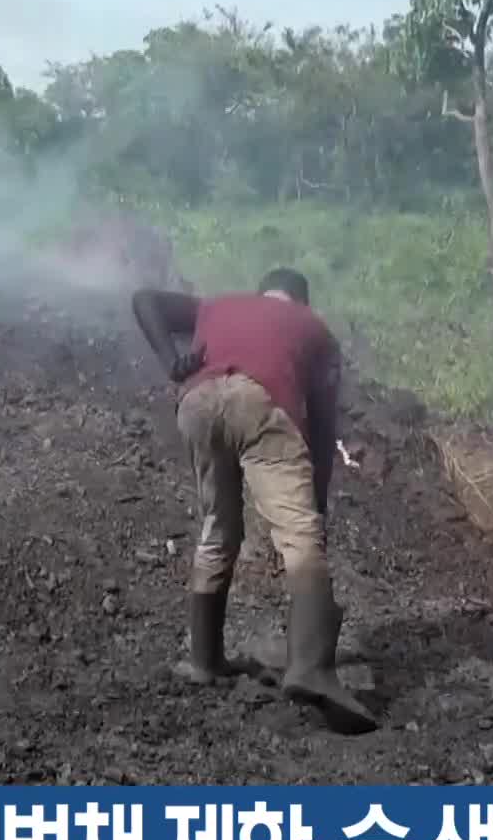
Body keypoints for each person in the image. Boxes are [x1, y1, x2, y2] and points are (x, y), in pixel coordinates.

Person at [130, 268, 377, 735]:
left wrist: (172, 360)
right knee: (299, 538)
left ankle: (203, 661)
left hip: (197, 400)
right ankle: (310, 667)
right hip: (262, 400)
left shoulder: (218, 303)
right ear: (301, 302)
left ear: (263, 292)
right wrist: (316, 504)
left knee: (218, 527)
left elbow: (144, 297)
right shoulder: (314, 329)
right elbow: (323, 429)